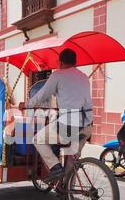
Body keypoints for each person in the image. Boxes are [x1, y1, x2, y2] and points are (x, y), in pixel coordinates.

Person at [27, 49, 93, 182]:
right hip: (87, 124)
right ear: (75, 62)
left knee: (38, 139)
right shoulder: (84, 77)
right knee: (72, 156)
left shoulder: (58, 75)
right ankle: (68, 189)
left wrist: (28, 104)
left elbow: (42, 95)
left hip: (68, 123)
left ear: (61, 62)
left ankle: (55, 167)